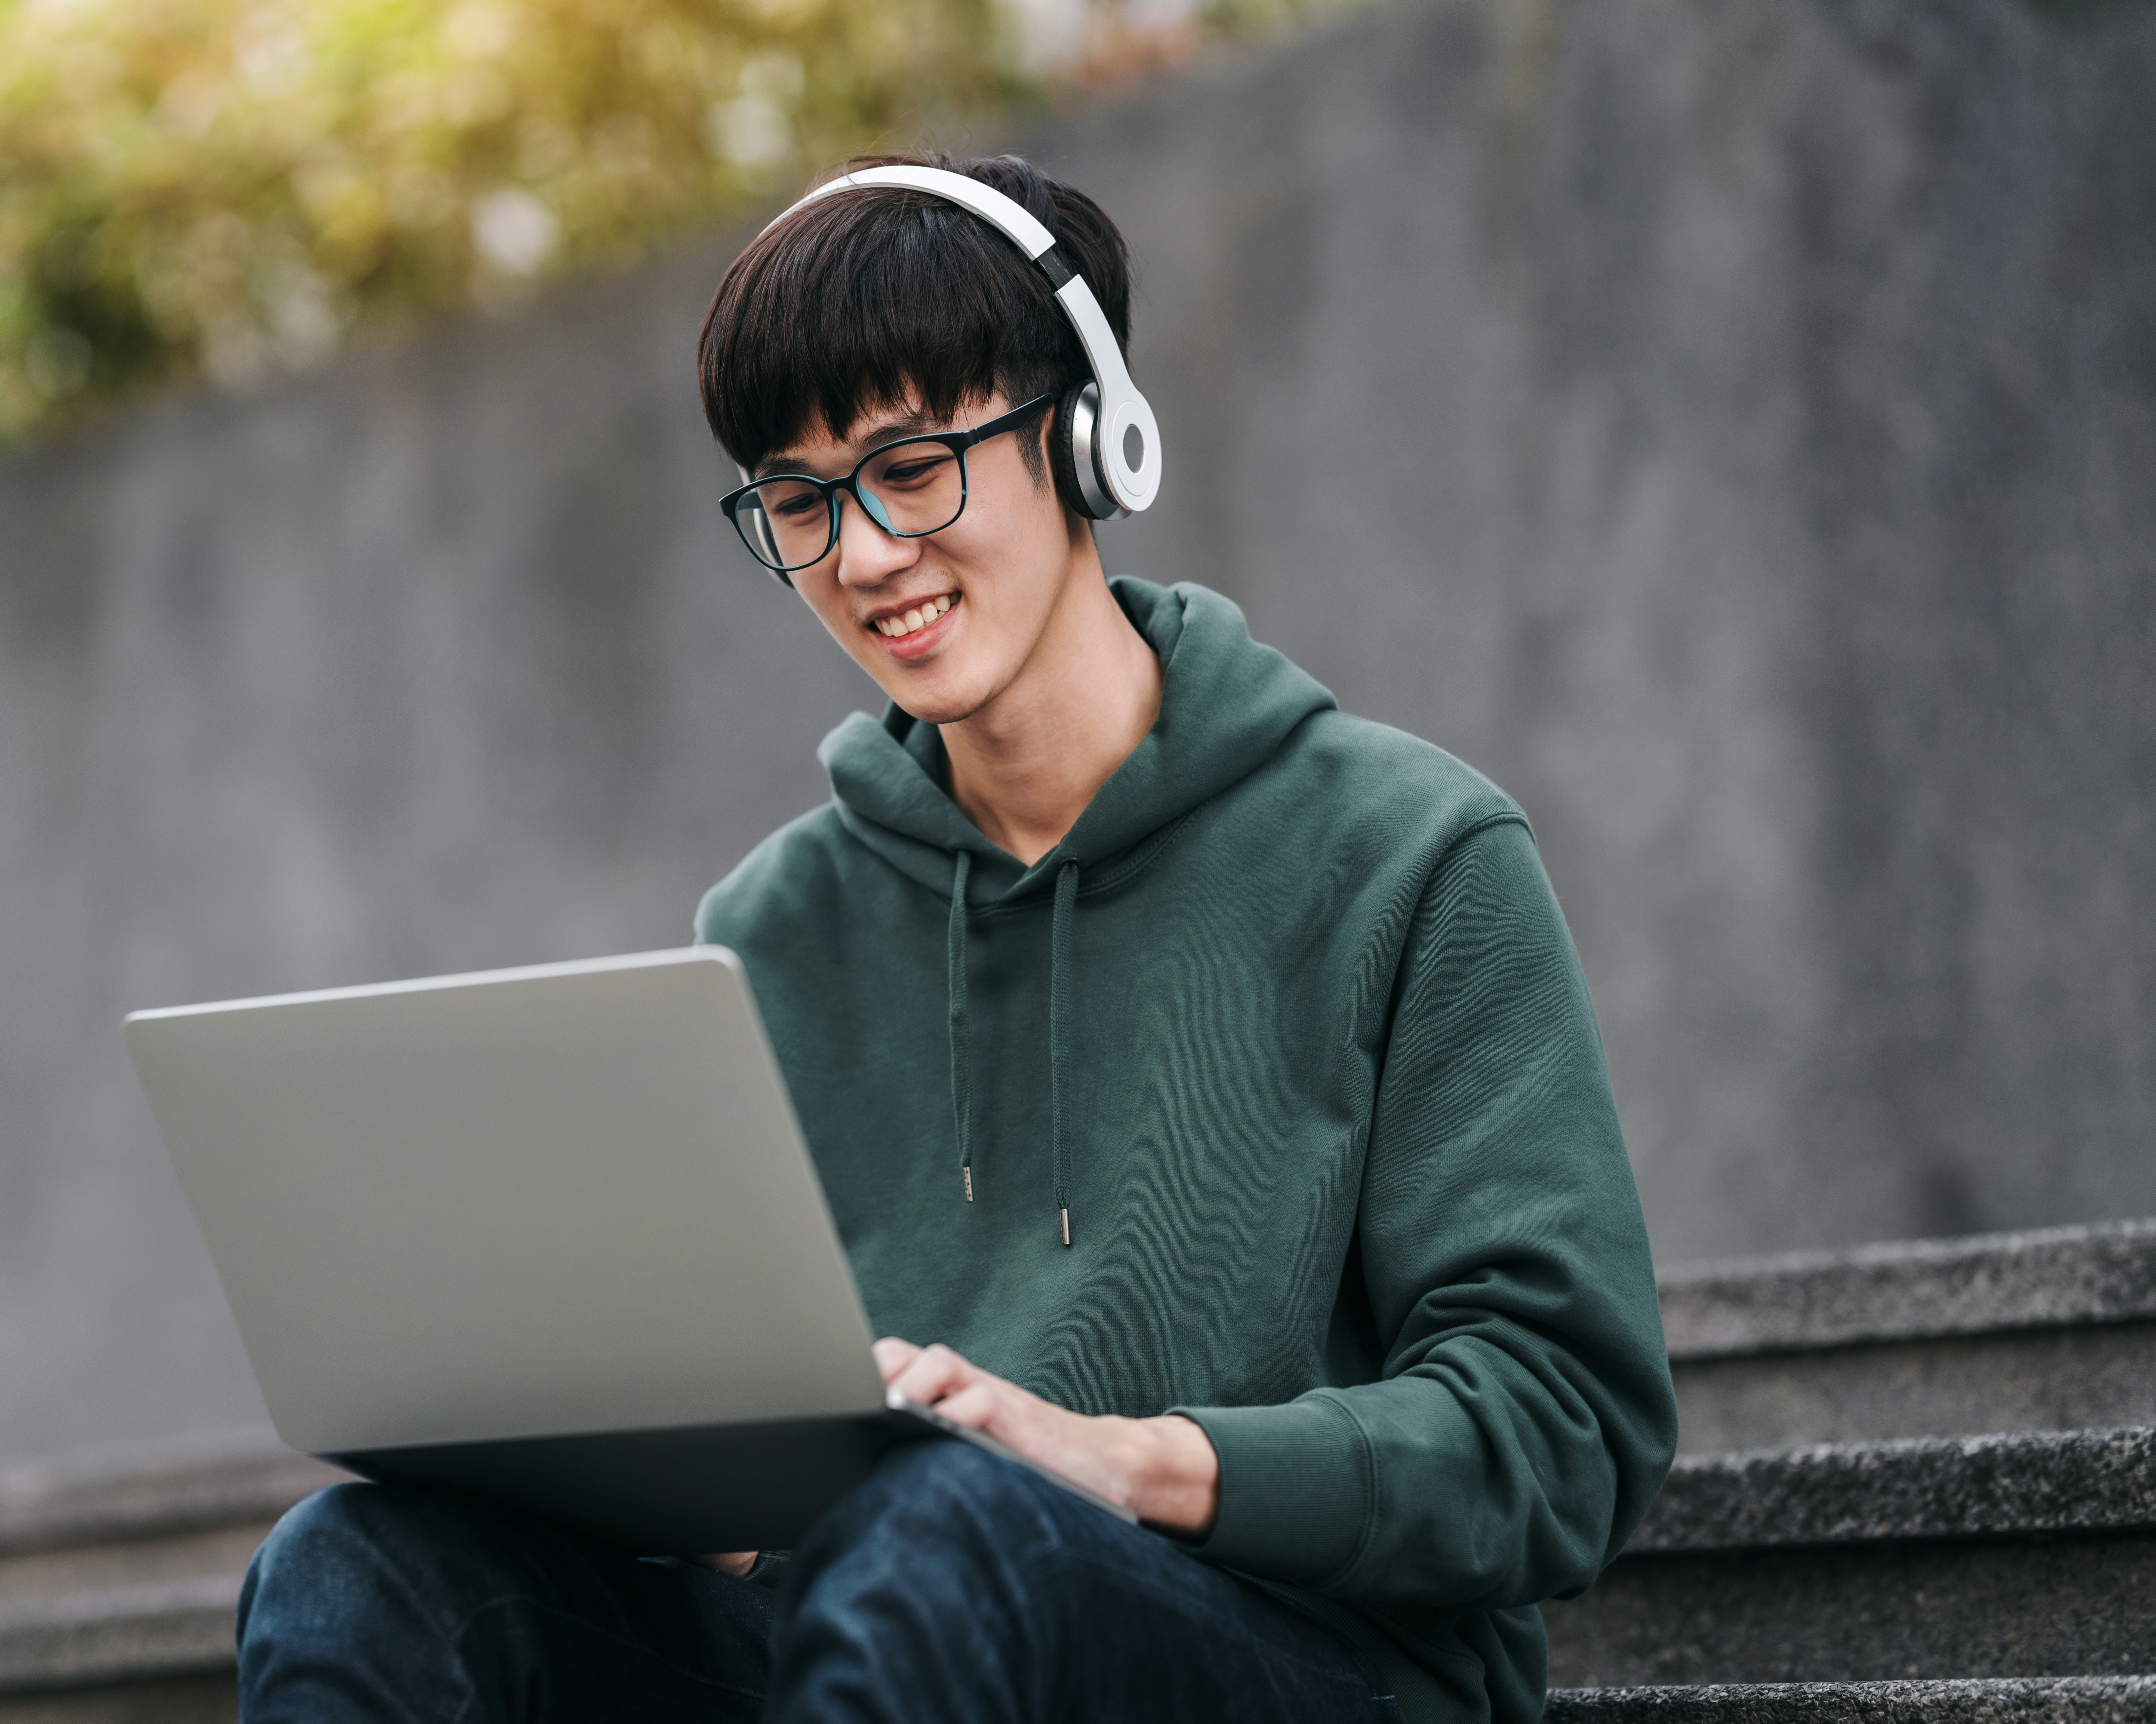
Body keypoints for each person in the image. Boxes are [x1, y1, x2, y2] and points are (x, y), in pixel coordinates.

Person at [235, 151, 1676, 1724]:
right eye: (798, 499)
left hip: (1309, 1668)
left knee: (946, 1526)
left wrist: (1118, 1461)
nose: (862, 557)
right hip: (889, 1637)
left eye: (912, 466)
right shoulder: (773, 930)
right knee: (356, 1559)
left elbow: (1564, 1428)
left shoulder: (1411, 854)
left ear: (1087, 435)